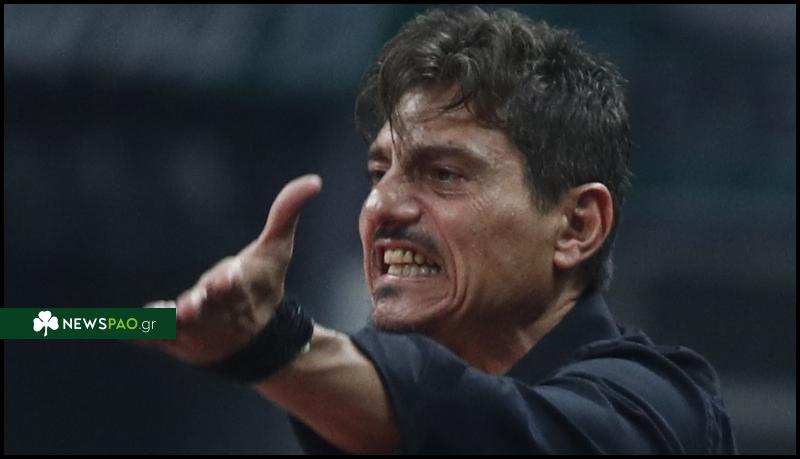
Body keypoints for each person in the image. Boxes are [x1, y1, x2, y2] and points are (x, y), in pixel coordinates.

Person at [140, 7, 737, 454]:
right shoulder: (364, 420)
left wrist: (272, 344)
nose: (381, 205)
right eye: (379, 172)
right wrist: (96, 322)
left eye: (443, 173)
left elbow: (483, 426)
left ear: (577, 226)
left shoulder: (659, 413)